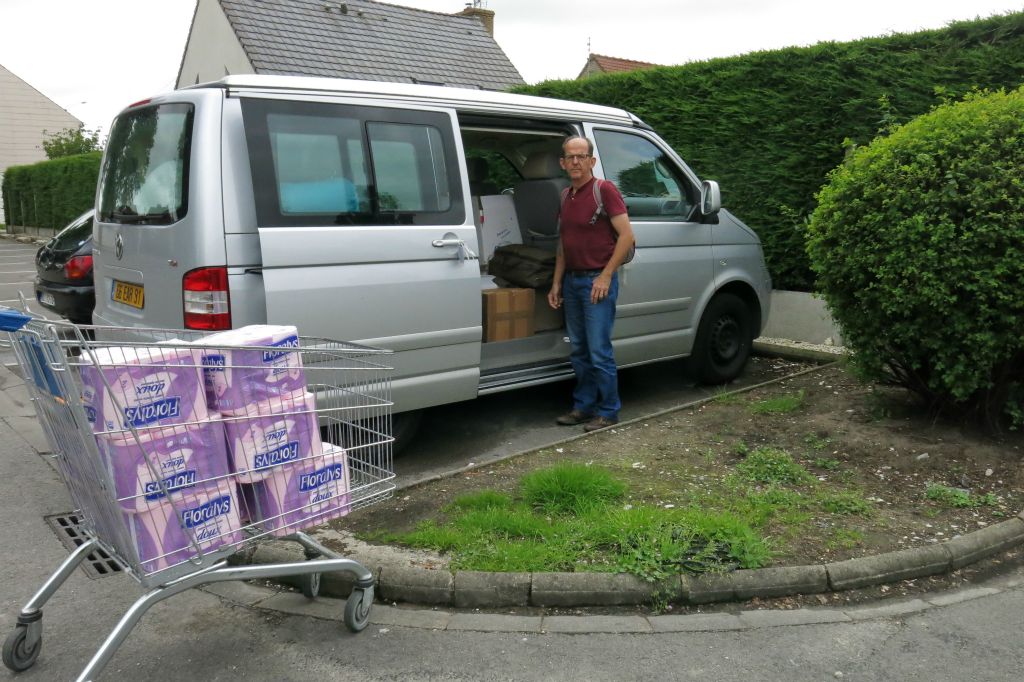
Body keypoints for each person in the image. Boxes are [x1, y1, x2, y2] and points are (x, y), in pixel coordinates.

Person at [547, 136, 635, 432]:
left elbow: (626, 236)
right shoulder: (564, 196)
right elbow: (563, 244)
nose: (575, 162)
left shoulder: (604, 190)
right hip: (572, 282)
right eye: (570, 157)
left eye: (581, 156)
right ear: (562, 162)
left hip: (597, 281)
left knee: (599, 351)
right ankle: (584, 406)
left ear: (591, 161)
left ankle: (609, 411)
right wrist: (556, 283)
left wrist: (606, 275)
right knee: (579, 350)